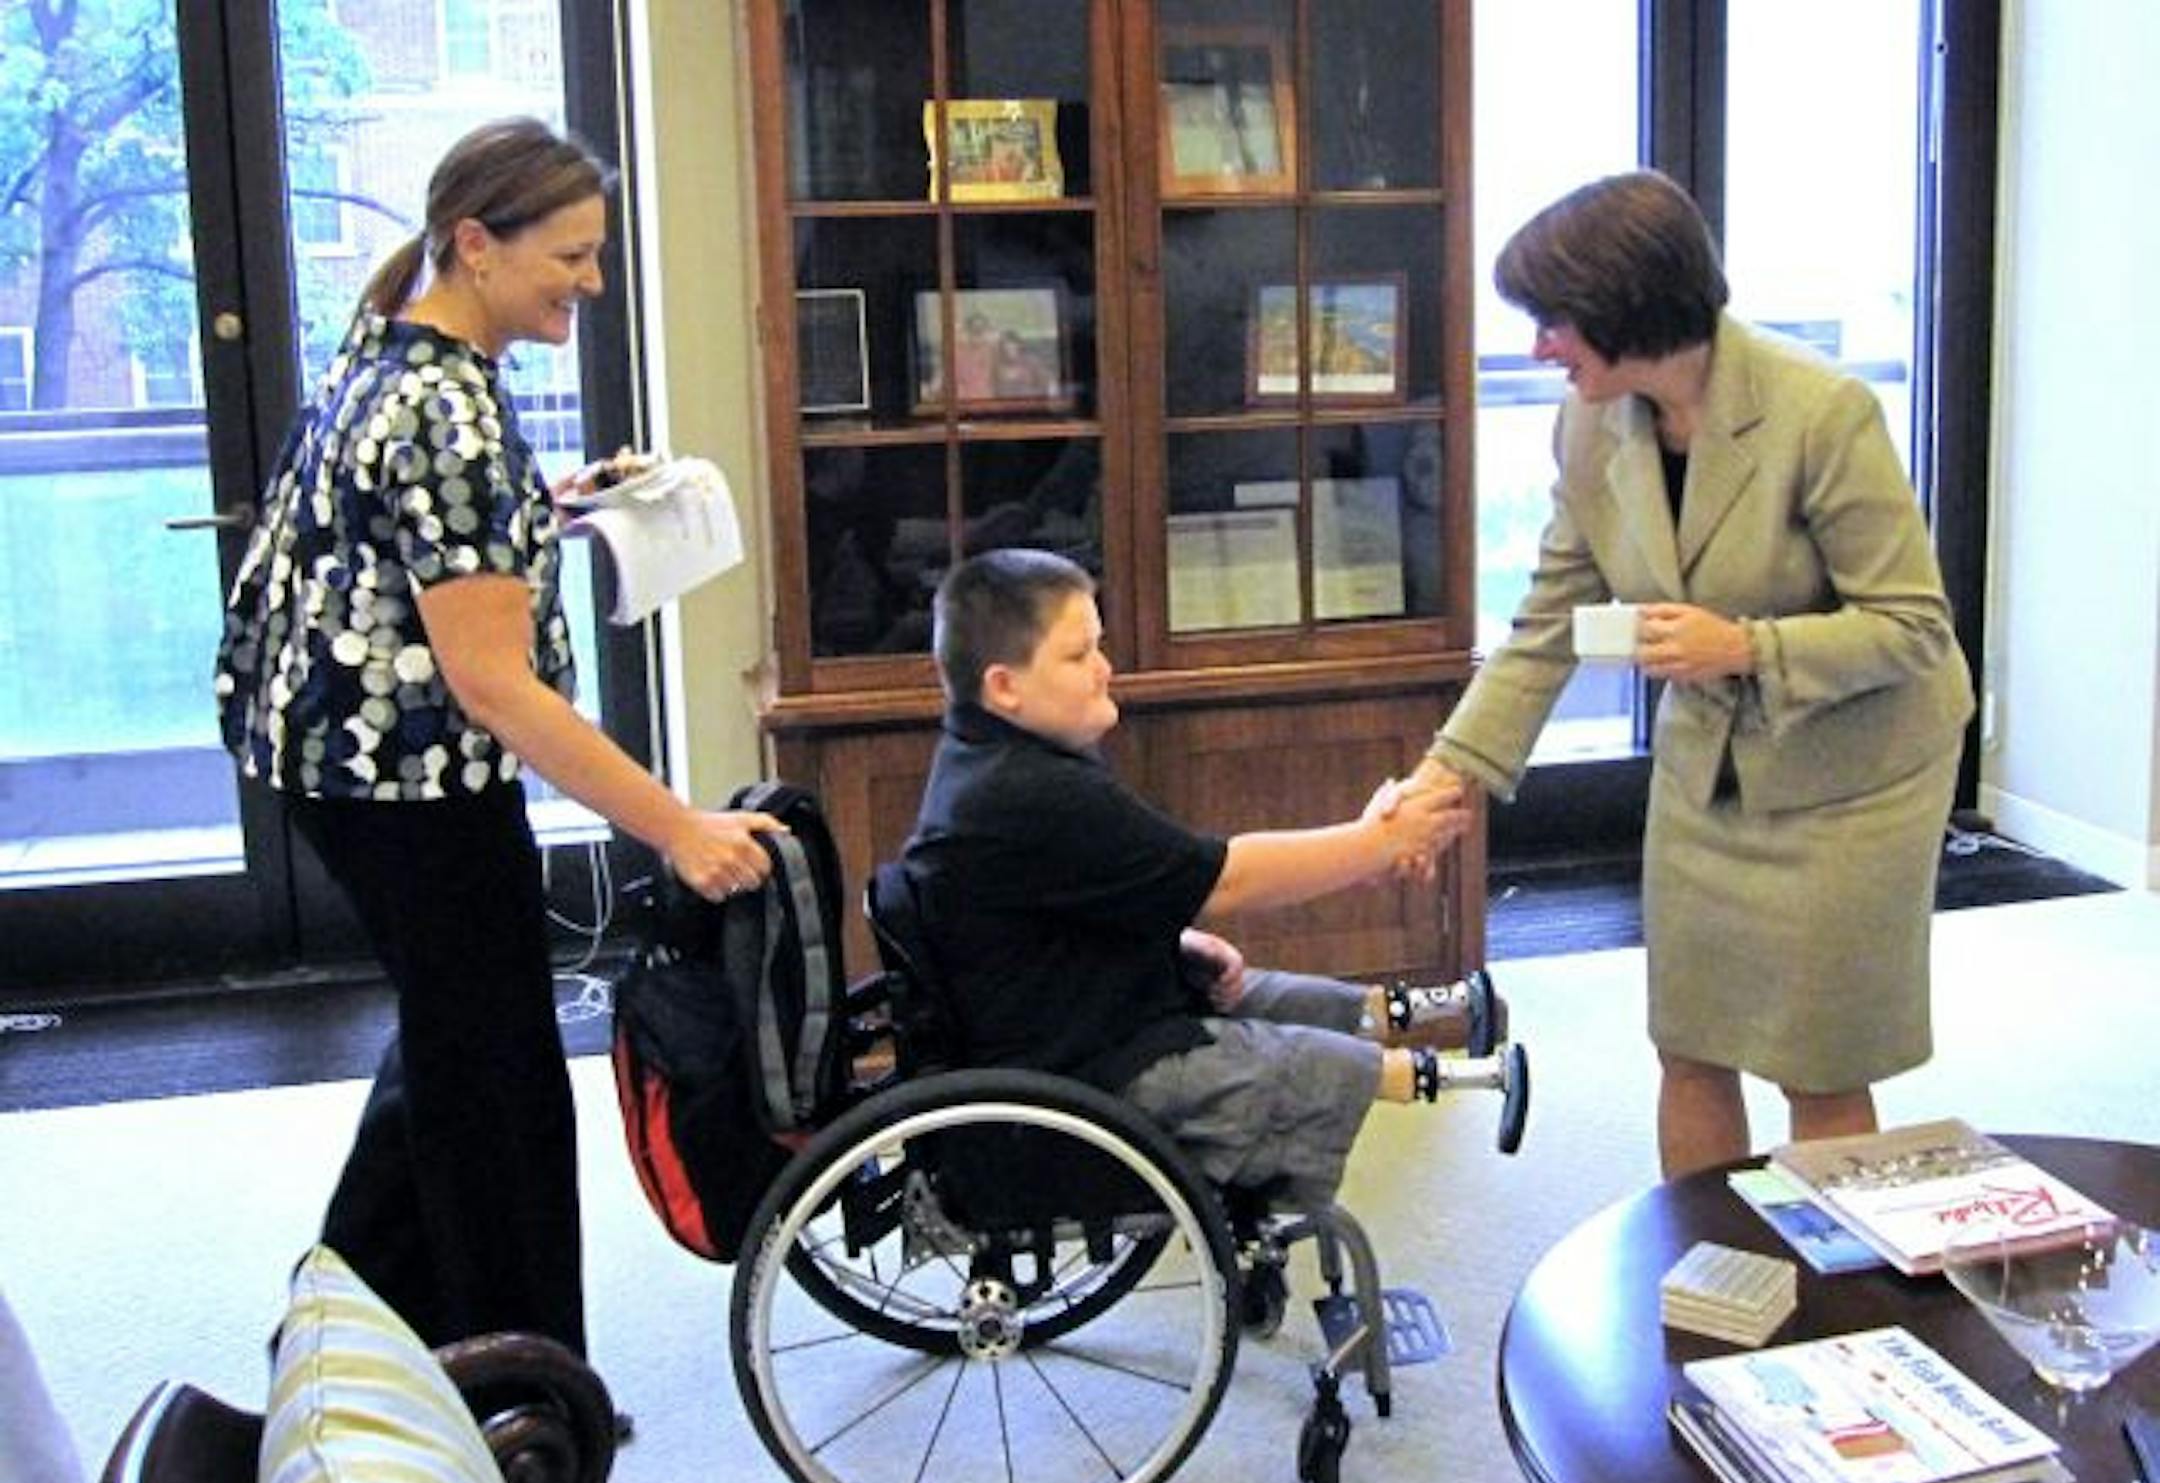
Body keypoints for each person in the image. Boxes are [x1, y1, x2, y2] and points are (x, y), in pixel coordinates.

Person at [214, 118, 780, 1356]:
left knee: (455, 1042)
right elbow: (495, 684)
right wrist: (674, 826)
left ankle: (343, 1330)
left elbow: (394, 546)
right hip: (405, 783)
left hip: (342, 761)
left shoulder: (400, 353)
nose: (590, 280)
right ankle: (522, 1384)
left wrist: (548, 506)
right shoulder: (448, 416)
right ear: (476, 242)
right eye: (570, 255)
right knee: (500, 1087)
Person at [1406, 170, 1973, 1180]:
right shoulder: (1590, 425)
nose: (1539, 346)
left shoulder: (1821, 413)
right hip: (1705, 767)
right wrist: (1450, 773)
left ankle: (1837, 1311)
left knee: (1819, 1063)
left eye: (1553, 320)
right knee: (1690, 1042)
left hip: (1854, 774)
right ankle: (1709, 1273)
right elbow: (1552, 622)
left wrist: (1748, 646)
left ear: (1625, 304)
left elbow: (1914, 626)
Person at [900, 548, 1506, 1213]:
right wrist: (1380, 842)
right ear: (1005, 686)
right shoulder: (1030, 792)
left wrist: (1179, 936)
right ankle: (1453, 1076)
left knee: (1256, 992)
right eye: (1079, 657)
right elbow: (1228, 879)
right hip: (1079, 1076)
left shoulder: (986, 762)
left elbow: (1077, 907)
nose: (1105, 670)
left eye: (1099, 647)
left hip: (1076, 1017)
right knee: (1299, 1063)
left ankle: (1428, 1019)